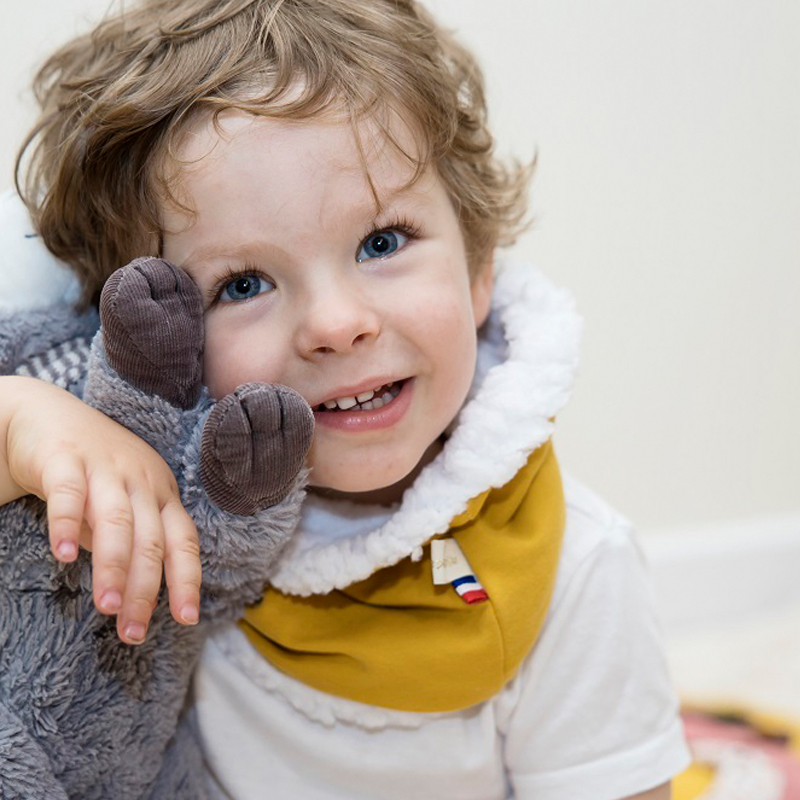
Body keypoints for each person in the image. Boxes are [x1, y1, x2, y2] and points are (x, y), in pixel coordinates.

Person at [0, 0, 691, 797]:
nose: (335, 324)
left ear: (479, 266)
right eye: (244, 284)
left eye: (381, 242)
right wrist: (21, 421)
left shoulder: (573, 567)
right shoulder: (151, 467)